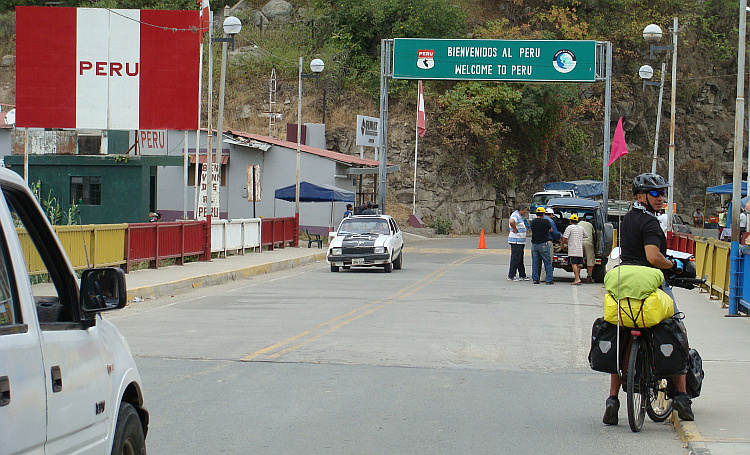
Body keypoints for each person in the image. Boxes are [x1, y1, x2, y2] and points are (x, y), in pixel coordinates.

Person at [603, 172, 694, 425]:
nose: (660, 197)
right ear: (640, 196)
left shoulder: (628, 219)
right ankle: (683, 398)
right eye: (655, 193)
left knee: (622, 336)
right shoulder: (652, 224)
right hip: (650, 282)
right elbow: (653, 257)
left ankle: (612, 400)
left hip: (625, 282)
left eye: (662, 193)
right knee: (677, 328)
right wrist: (673, 265)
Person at [529, 207, 554, 285]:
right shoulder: (546, 221)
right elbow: (551, 230)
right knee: (547, 262)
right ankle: (549, 279)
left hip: (534, 244)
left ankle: (535, 279)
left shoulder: (533, 222)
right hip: (543, 244)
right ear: (543, 214)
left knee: (535, 262)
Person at [561, 214, 587, 285]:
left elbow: (565, 238)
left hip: (573, 249)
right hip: (580, 249)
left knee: (573, 264)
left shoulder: (569, 227)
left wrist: (563, 244)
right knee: (578, 264)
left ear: (570, 221)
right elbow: (586, 235)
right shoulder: (581, 228)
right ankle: (577, 278)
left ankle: (577, 279)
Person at [508, 204, 530, 281]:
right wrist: (515, 229)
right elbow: (511, 222)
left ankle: (522, 274)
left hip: (520, 241)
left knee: (520, 258)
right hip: (516, 240)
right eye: (525, 210)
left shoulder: (519, 216)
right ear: (521, 210)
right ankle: (511, 275)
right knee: (515, 258)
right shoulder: (515, 215)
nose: (525, 212)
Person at [540, 208, 561, 282]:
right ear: (551, 214)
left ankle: (537, 277)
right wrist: (560, 237)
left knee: (539, 260)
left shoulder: (539, 219)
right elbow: (554, 232)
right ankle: (546, 278)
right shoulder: (550, 221)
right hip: (548, 242)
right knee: (548, 260)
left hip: (539, 242)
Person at [579, 214, 596, 282]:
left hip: (579, 242)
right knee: (590, 259)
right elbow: (594, 235)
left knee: (579, 258)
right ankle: (589, 276)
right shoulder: (590, 224)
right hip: (588, 242)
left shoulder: (577, 225)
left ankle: (578, 276)